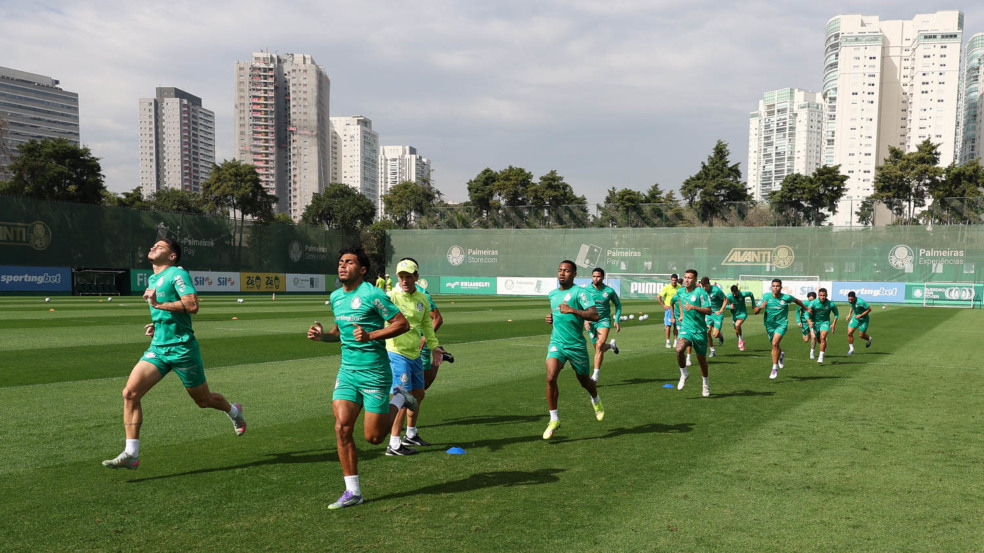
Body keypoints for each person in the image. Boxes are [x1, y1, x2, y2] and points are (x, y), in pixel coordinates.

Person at [102, 238, 246, 470]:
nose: (152, 247)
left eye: (160, 247)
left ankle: (234, 411)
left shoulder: (178, 274)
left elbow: (192, 305)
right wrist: (156, 324)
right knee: (130, 393)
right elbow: (167, 310)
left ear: (172, 256)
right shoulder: (153, 278)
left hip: (182, 349)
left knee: (203, 400)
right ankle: (131, 453)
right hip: (159, 348)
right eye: (153, 245)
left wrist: (158, 305)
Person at [307, 247, 415, 510]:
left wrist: (371, 336)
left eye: (350, 262)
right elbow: (339, 331)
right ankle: (353, 492)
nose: (343, 266)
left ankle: (400, 397)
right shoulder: (335, 297)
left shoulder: (373, 294)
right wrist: (323, 336)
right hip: (347, 372)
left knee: (374, 438)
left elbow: (401, 324)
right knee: (342, 427)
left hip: (375, 373)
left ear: (363, 269)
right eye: (341, 262)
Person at [384, 258, 441, 455]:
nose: (405, 280)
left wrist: (434, 346)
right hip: (396, 352)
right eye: (401, 277)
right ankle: (394, 443)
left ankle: (410, 433)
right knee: (403, 396)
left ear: (417, 277)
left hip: (415, 353)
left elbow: (427, 325)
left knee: (419, 393)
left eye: (409, 276)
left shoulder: (422, 298)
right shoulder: (391, 296)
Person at [542, 260, 604, 439]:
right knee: (550, 377)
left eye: (567, 271)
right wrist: (552, 317)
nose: (562, 273)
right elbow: (559, 313)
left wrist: (572, 310)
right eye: (560, 270)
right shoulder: (552, 294)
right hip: (557, 343)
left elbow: (594, 314)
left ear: (574, 274)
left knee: (585, 381)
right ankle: (554, 419)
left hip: (576, 346)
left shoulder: (580, 292)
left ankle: (596, 400)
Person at [753, 279, 812, 380]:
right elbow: (755, 311)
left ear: (781, 287)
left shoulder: (786, 297)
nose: (775, 287)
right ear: (771, 287)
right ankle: (780, 355)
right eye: (774, 286)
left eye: (777, 286)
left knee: (775, 344)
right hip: (769, 325)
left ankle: (774, 368)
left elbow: (797, 301)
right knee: (775, 346)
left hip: (782, 324)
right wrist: (761, 307)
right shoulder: (766, 296)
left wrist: (806, 308)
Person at [674, 269, 713, 397]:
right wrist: (681, 314)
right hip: (686, 328)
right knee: (679, 349)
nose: (686, 280)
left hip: (700, 331)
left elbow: (708, 310)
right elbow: (679, 300)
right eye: (685, 277)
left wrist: (693, 307)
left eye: (690, 278)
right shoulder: (680, 291)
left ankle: (705, 384)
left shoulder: (701, 292)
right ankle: (684, 373)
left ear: (695, 279)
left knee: (701, 360)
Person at [583, 267, 621, 382]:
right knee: (599, 348)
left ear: (603, 277)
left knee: (599, 346)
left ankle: (595, 376)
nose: (596, 278)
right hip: (591, 322)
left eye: (598, 276)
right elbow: (581, 305)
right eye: (594, 276)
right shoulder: (586, 290)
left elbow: (618, 305)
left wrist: (617, 319)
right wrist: (585, 319)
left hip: (603, 320)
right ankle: (611, 346)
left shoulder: (609, 291)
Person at [807, 288, 838, 364]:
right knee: (819, 339)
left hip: (825, 322)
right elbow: (806, 314)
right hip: (815, 323)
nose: (822, 297)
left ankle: (821, 357)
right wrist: (809, 321)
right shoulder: (813, 303)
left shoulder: (831, 304)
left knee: (823, 337)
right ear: (818, 295)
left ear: (826, 295)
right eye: (821, 295)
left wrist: (834, 323)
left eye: (824, 295)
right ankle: (823, 346)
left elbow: (836, 314)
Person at [700, 277, 728, 358]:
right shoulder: (702, 291)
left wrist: (720, 310)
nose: (704, 288)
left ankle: (720, 335)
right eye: (703, 286)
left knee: (715, 334)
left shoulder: (716, 290)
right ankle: (712, 350)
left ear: (709, 284)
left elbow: (725, 299)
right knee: (707, 332)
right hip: (708, 313)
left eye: (706, 286)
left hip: (717, 314)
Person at [726, 285, 755, 351]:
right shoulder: (729, 296)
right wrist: (728, 307)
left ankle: (740, 341)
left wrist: (753, 304)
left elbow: (751, 294)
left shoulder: (742, 294)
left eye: (735, 293)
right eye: (733, 293)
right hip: (734, 315)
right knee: (737, 330)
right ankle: (741, 340)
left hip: (743, 313)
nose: (734, 294)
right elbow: (723, 305)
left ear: (738, 291)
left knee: (737, 325)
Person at [659, 274, 681, 348]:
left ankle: (675, 342)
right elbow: (658, 297)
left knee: (676, 326)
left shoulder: (680, 288)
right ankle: (668, 341)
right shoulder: (666, 288)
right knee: (668, 325)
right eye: (673, 280)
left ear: (677, 280)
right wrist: (663, 306)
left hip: (677, 309)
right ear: (671, 280)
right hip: (668, 309)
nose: (674, 281)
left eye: (675, 280)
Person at [796, 291, 818, 359]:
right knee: (806, 340)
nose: (811, 301)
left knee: (813, 337)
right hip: (804, 322)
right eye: (810, 299)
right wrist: (798, 321)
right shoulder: (804, 303)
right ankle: (818, 336)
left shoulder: (817, 303)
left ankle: (812, 352)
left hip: (812, 322)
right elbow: (797, 311)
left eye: (813, 300)